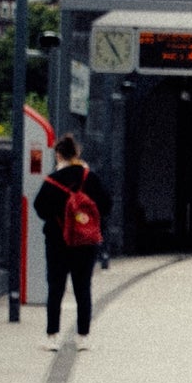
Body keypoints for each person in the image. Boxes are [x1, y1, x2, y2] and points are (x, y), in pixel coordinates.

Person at [33, 134, 110, 348]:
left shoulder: (52, 181)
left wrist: (59, 217)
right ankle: (83, 336)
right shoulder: (89, 177)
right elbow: (106, 205)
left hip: (58, 242)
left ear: (58, 154)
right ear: (77, 153)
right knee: (83, 287)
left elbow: (40, 208)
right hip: (86, 243)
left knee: (56, 288)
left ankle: (52, 336)